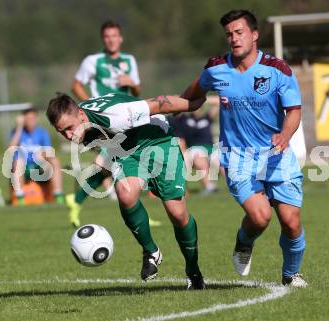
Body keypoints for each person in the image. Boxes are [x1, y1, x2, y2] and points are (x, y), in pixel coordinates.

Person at [181, 9, 307, 287]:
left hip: (277, 154)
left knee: (291, 221)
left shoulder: (277, 70)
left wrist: (285, 135)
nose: (234, 39)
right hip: (237, 157)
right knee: (260, 218)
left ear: (254, 34)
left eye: (239, 32)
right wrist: (171, 110)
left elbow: (294, 112)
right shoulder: (216, 68)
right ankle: (244, 242)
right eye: (229, 34)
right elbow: (193, 94)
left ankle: (291, 275)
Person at [46, 92, 205, 290]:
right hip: (128, 150)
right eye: (62, 132)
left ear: (80, 114)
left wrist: (191, 103)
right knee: (125, 194)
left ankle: (193, 271)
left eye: (69, 128)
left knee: (177, 214)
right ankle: (151, 252)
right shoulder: (82, 123)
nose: (69, 135)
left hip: (158, 140)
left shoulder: (116, 116)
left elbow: (158, 104)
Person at [66, 20, 155, 228]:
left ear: (121, 38)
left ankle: (77, 199)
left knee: (113, 165)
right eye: (107, 36)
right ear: (103, 39)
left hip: (127, 119)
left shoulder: (129, 60)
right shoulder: (93, 61)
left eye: (114, 36)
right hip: (104, 122)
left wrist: (131, 83)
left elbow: (137, 92)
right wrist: (89, 107)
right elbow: (75, 85)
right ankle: (139, 214)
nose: (111, 40)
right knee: (125, 162)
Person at [9, 108, 64, 205]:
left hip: (39, 166)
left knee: (55, 161)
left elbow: (48, 152)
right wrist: (19, 127)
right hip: (22, 167)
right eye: (28, 119)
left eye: (32, 118)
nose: (31, 121)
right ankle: (20, 198)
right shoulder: (17, 132)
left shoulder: (42, 133)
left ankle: (58, 195)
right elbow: (11, 149)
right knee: (18, 162)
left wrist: (42, 154)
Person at [169, 102, 219, 194]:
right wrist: (187, 102)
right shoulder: (185, 120)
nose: (196, 109)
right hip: (194, 148)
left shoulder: (207, 118)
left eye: (198, 106)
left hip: (211, 148)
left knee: (224, 160)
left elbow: (218, 104)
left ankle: (235, 188)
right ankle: (209, 187)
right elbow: (175, 114)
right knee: (198, 158)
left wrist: (205, 100)